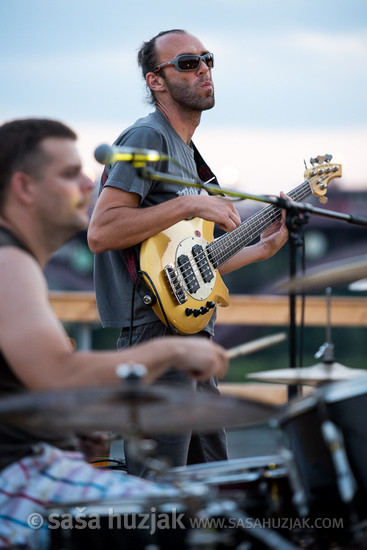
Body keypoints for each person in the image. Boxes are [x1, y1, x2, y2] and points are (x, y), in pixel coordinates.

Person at [0, 117, 229, 549]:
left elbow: (30, 383)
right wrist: (169, 352)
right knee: (170, 515)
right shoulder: (8, 262)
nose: (90, 184)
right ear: (24, 188)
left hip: (36, 463)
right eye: (70, 174)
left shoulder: (16, 261)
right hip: (17, 484)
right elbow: (60, 372)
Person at [87, 28, 289, 477]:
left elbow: (193, 265)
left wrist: (260, 249)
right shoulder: (147, 138)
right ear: (154, 80)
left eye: (207, 60)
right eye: (187, 63)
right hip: (154, 335)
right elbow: (101, 232)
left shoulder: (189, 156)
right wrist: (192, 202)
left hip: (190, 332)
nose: (203, 69)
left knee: (208, 486)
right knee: (157, 489)